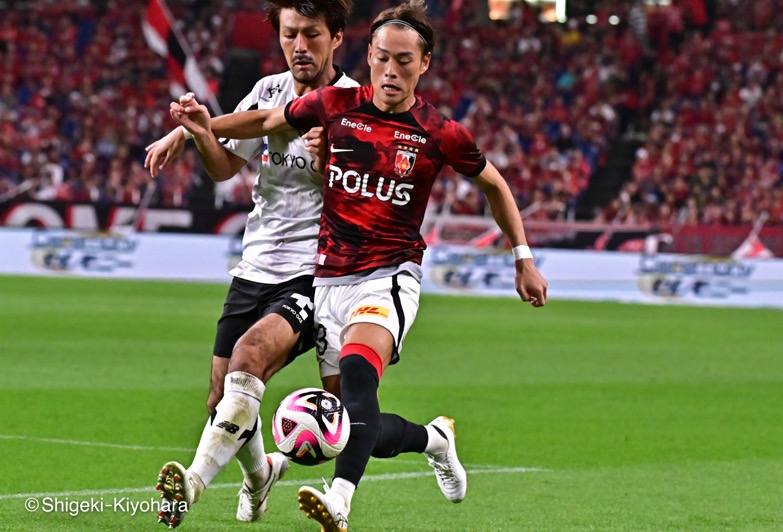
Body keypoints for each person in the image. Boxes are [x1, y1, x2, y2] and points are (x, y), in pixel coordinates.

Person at [169, 0, 548, 529]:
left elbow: (495, 185)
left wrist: (522, 258)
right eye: (384, 59)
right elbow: (264, 120)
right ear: (369, 55)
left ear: (425, 64)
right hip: (329, 279)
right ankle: (433, 438)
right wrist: (192, 128)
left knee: (353, 378)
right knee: (346, 422)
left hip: (390, 275)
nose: (392, 72)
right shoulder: (334, 105)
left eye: (406, 61)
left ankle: (338, 501)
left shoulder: (441, 133)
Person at [143, 1, 360, 528]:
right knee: (222, 400)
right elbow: (224, 167)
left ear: (337, 37)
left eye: (311, 34)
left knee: (249, 357)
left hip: (315, 269)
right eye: (290, 35)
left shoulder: (357, 103)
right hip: (254, 265)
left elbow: (368, 191)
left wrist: (335, 154)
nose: (299, 46)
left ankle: (191, 485)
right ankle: (261, 477)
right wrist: (196, 132)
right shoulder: (268, 91)